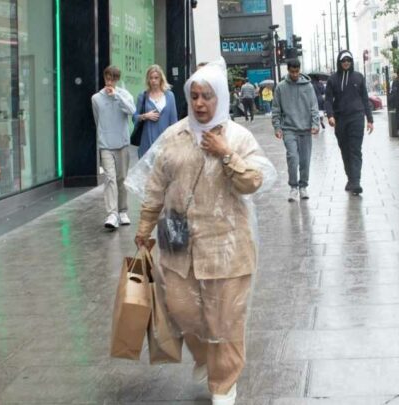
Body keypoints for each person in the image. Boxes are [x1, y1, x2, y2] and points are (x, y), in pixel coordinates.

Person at [130, 58, 276, 405]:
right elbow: (154, 186)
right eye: (194, 96)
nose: (199, 103)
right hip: (179, 247)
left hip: (228, 247)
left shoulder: (238, 137)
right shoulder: (175, 136)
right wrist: (144, 228)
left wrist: (227, 155)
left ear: (221, 98)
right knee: (182, 311)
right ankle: (206, 357)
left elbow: (253, 182)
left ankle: (224, 383)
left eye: (207, 96)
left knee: (224, 320)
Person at [324, 50, 375, 196]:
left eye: (349, 60)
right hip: (340, 119)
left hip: (357, 117)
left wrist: (370, 120)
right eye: (343, 60)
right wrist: (330, 116)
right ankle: (350, 179)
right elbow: (328, 99)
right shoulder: (332, 79)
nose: (346, 62)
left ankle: (356, 182)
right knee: (345, 151)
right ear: (339, 62)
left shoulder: (359, 77)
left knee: (355, 150)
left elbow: (365, 98)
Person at [91, 65, 136, 229]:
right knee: (109, 178)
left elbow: (132, 111)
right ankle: (112, 213)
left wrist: (117, 95)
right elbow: (98, 119)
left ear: (117, 80)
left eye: (113, 79)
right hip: (105, 145)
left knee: (121, 178)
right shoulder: (96, 98)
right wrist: (102, 137)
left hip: (122, 143)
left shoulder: (124, 95)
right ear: (104, 78)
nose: (110, 81)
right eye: (107, 78)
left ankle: (123, 210)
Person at [272, 58, 320, 202]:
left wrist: (315, 124)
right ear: (288, 70)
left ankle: (303, 186)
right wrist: (277, 127)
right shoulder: (281, 87)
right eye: (292, 72)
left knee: (305, 160)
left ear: (300, 70)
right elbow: (276, 109)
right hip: (289, 129)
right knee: (293, 158)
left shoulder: (308, 86)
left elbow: (314, 107)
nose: (294, 74)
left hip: (305, 129)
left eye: (297, 71)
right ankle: (293, 187)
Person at [133, 65, 179, 158]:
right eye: (151, 78)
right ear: (148, 80)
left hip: (164, 142)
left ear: (161, 79)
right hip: (147, 142)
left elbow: (174, 121)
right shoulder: (143, 96)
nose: (153, 80)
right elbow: (134, 118)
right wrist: (145, 116)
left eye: (156, 78)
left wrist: (174, 143)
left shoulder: (169, 96)